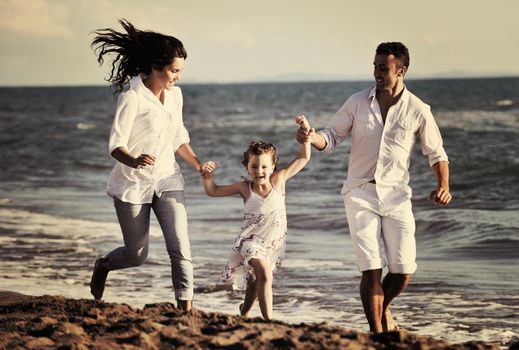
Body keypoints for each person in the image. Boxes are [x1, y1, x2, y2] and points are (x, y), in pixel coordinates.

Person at [297, 42, 452, 332]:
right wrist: (310, 137)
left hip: (397, 196)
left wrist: (443, 185)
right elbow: (329, 138)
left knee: (403, 271)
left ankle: (384, 310)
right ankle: (376, 334)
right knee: (371, 268)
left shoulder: (418, 109)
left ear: (401, 71)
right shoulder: (357, 102)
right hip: (359, 193)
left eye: (384, 68)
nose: (377, 73)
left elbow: (437, 153)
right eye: (375, 67)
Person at [89, 19, 206, 311]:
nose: (178, 77)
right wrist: (135, 160)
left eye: (180, 71)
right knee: (136, 255)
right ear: (156, 66)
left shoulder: (175, 96)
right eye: (174, 70)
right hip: (132, 185)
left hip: (167, 178)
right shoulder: (132, 98)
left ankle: (185, 310)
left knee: (180, 245)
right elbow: (115, 145)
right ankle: (104, 265)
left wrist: (197, 164)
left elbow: (178, 136)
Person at [200, 116, 312, 320]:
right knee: (265, 274)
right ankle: (269, 320)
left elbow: (303, 158)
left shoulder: (279, 180)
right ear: (246, 167)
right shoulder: (244, 188)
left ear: (272, 166)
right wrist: (207, 178)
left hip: (273, 243)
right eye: (254, 166)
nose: (259, 171)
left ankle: (244, 314)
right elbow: (213, 191)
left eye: (263, 167)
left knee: (254, 281)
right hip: (250, 242)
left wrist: (305, 135)